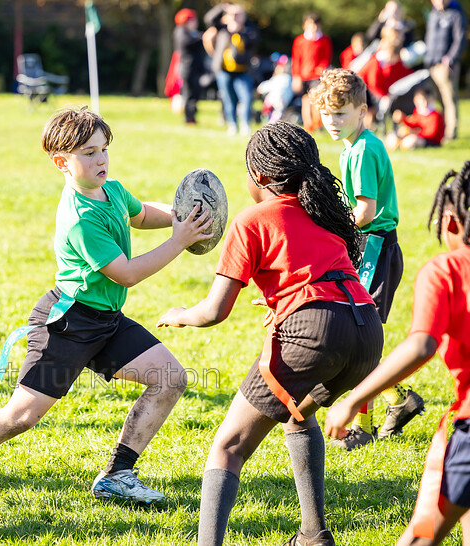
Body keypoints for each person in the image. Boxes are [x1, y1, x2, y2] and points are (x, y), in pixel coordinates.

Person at [0, 106, 213, 512]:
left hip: (106, 320)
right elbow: (127, 274)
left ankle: (118, 476)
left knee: (169, 378)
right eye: (88, 153)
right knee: (21, 416)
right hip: (68, 323)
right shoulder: (79, 218)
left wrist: (182, 217)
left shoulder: (111, 190)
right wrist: (179, 241)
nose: (100, 159)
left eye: (103, 149)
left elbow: (142, 214)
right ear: (61, 162)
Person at [157, 121, 382, 546]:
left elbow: (215, 311)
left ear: (258, 176)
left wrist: (181, 314)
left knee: (227, 446)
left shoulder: (251, 220)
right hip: (366, 330)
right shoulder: (326, 213)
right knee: (298, 412)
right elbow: (322, 276)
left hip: (316, 330)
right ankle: (313, 535)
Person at [325, 161, 470, 545]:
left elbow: (422, 344)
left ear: (451, 221)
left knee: (421, 535)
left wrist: (355, 398)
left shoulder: (447, 272)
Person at [310, 68, 424, 449]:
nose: (332, 122)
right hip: (372, 246)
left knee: (364, 336)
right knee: (361, 335)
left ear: (363, 111)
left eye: (340, 114)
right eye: (327, 114)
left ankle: (367, 424)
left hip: (374, 246)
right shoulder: (358, 145)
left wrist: (333, 229)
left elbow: (366, 211)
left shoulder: (361, 151)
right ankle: (396, 399)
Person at [204, 3, 258, 136]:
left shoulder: (249, 29)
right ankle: (232, 124)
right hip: (223, 70)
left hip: (243, 71)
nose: (235, 17)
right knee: (228, 99)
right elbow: (208, 19)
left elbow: (254, 41)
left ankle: (245, 124)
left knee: (246, 98)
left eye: (238, 15)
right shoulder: (222, 28)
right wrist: (223, 8)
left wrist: (240, 30)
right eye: (233, 15)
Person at [423, 0, 467, 142]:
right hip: (431, 63)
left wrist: (451, 58)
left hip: (446, 65)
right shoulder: (433, 14)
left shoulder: (456, 14)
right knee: (437, 99)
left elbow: (460, 39)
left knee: (449, 99)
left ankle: (450, 133)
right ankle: (441, 129)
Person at [356, 27, 414, 132]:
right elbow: (374, 84)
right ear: (390, 54)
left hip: (376, 91)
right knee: (371, 112)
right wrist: (384, 96)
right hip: (363, 89)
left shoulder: (389, 63)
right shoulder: (375, 62)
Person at [291, 13, 332, 133]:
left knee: (316, 101)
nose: (313, 27)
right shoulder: (299, 41)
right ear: (304, 25)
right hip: (303, 76)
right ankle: (308, 126)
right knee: (305, 101)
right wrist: (296, 76)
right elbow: (296, 60)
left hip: (316, 76)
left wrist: (321, 70)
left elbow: (326, 58)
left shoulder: (324, 40)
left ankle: (317, 124)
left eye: (315, 24)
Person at [386, 86, 445, 150]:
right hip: (419, 137)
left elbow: (432, 134)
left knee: (412, 139)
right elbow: (413, 124)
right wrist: (403, 119)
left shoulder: (435, 115)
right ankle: (397, 145)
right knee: (393, 135)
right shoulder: (418, 112)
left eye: (423, 100)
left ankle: (399, 146)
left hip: (431, 142)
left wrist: (416, 133)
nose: (421, 103)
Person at [173, 8, 206, 124]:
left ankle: (192, 116)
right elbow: (187, 43)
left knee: (195, 94)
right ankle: (188, 118)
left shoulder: (192, 33)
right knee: (188, 94)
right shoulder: (181, 31)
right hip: (187, 68)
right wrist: (201, 38)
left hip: (195, 68)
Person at [257, 54, 294, 123]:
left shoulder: (280, 77)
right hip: (284, 101)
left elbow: (266, 86)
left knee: (269, 103)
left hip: (275, 98)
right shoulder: (290, 79)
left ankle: (268, 119)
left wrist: (259, 88)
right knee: (278, 113)